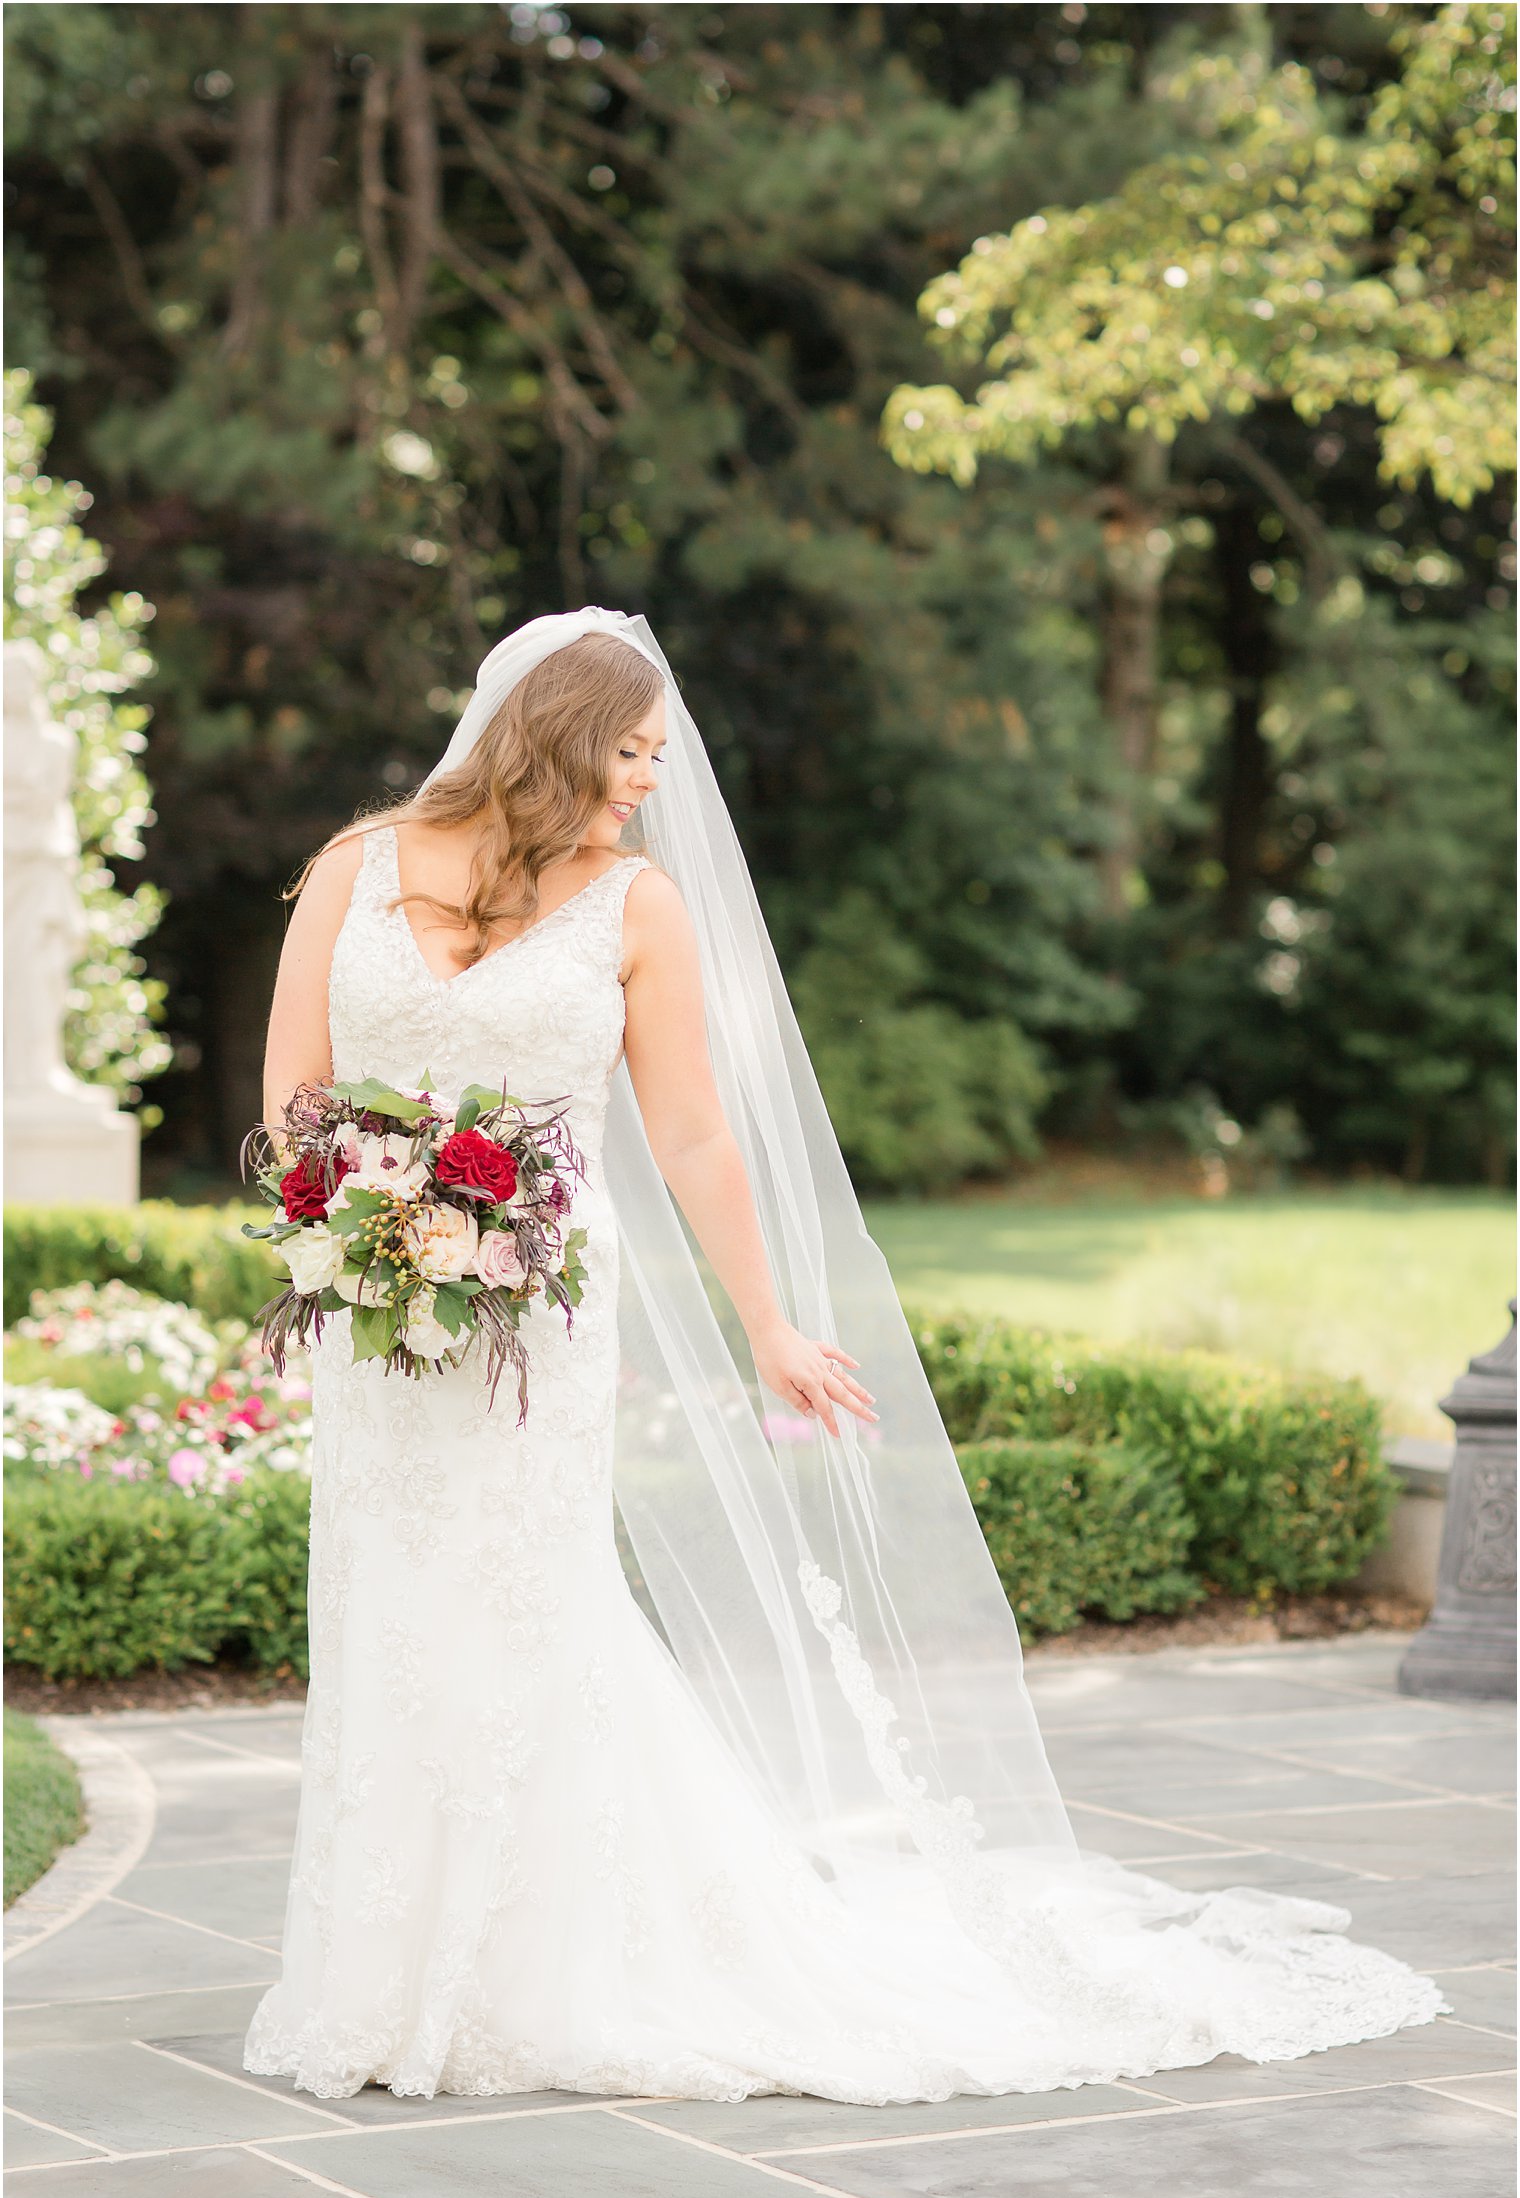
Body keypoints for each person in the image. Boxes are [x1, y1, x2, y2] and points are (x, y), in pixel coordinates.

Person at [245, 607, 1447, 2105]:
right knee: (384, 1601)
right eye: (630, 756)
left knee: (519, 1602)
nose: (647, 786)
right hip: (375, 1309)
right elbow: (297, 1089)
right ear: (556, 735)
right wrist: (370, 1208)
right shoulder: (354, 867)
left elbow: (687, 1129)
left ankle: (533, 1964)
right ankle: (378, 1965)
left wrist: (768, 1322)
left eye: (658, 761)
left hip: (537, 1312)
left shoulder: (639, 909)